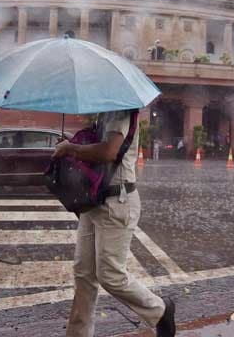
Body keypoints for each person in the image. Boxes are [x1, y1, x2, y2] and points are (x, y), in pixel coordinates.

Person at [53, 110, 175, 337]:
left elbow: (109, 151)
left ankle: (160, 310)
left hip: (117, 201)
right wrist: (72, 146)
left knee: (111, 275)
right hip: (94, 201)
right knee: (83, 273)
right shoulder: (105, 112)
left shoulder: (122, 108)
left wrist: (70, 149)